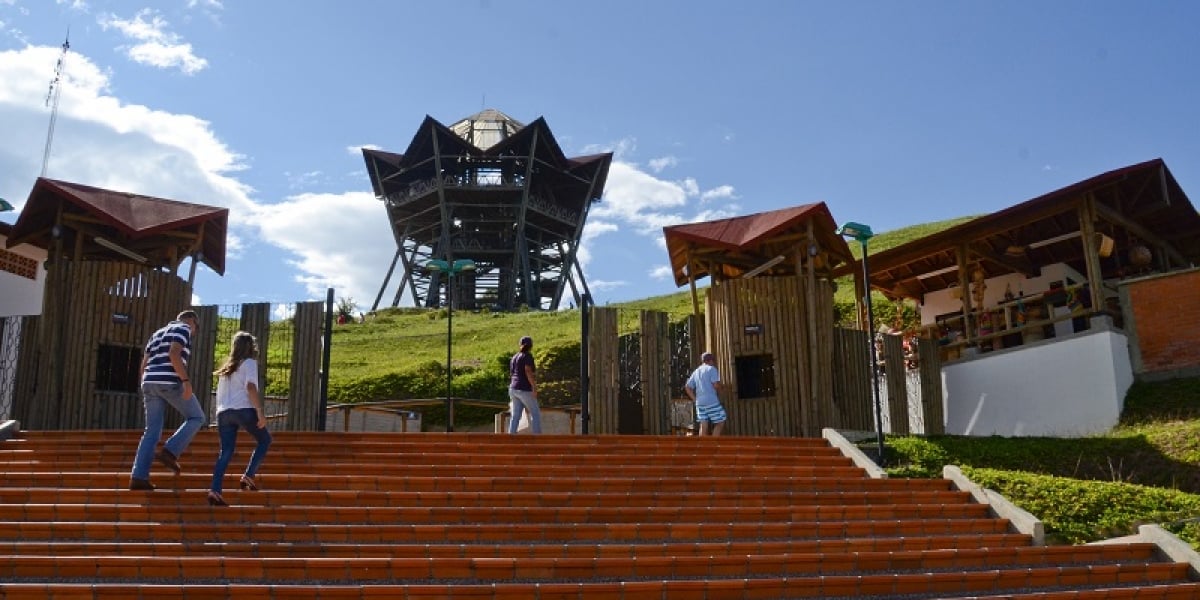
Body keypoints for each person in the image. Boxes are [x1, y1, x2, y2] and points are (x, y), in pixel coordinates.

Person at [130, 310, 205, 491]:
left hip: (148, 383)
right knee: (197, 417)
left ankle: (138, 477)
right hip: (169, 381)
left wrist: (146, 384)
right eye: (197, 327)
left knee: (151, 432)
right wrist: (186, 382)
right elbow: (174, 354)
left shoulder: (157, 333)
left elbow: (144, 365)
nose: (194, 332)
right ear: (192, 321)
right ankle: (170, 451)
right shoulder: (183, 329)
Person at [207, 331, 272, 506]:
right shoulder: (249, 363)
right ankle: (249, 475)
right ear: (251, 347)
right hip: (243, 409)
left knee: (225, 452)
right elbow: (250, 387)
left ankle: (215, 490)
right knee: (265, 439)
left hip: (223, 413)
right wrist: (259, 411)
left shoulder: (226, 369)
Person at [684, 351, 726, 436]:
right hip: (711, 401)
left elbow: (687, 387)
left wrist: (695, 399)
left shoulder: (696, 371)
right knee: (720, 422)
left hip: (700, 403)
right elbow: (715, 385)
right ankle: (713, 445)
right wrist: (722, 388)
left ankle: (702, 447)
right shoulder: (712, 369)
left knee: (703, 426)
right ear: (710, 360)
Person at [507, 335, 541, 434]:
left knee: (516, 415)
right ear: (531, 346)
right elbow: (528, 371)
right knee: (535, 413)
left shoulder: (514, 357)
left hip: (513, 388)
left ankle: (511, 437)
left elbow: (512, 373)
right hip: (524, 389)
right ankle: (537, 438)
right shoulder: (527, 356)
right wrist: (534, 387)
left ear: (520, 345)